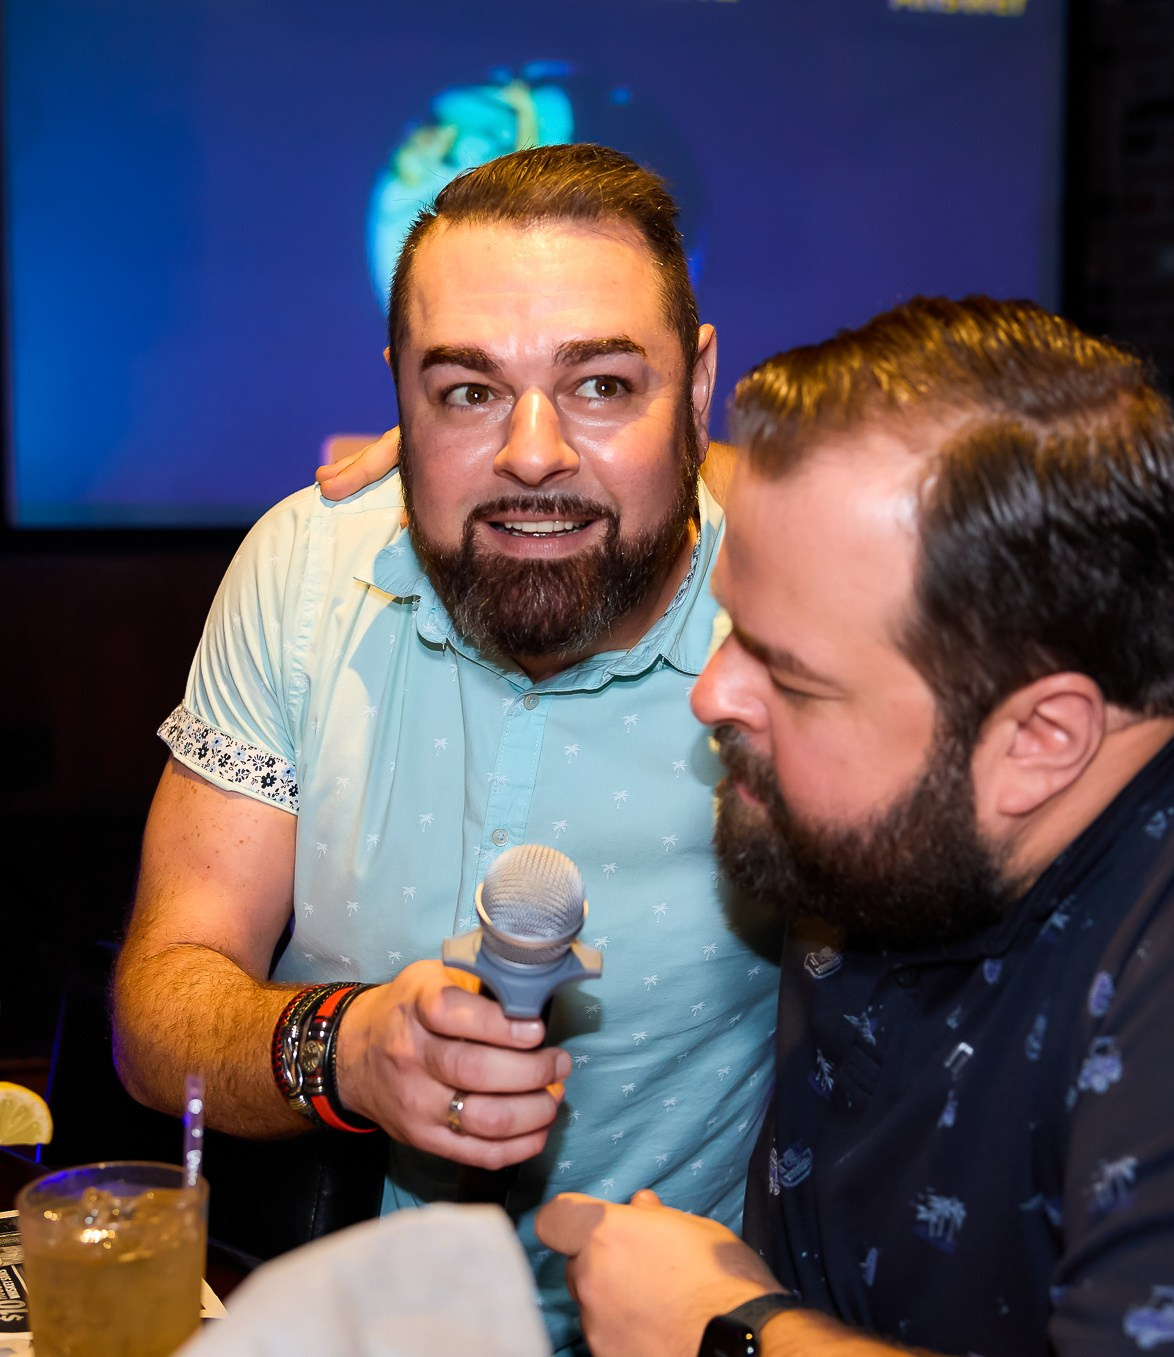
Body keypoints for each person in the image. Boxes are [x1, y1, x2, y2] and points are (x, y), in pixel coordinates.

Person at [534, 295, 1174, 1355]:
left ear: (1040, 738)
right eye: (731, 629)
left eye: (789, 676)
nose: (713, 694)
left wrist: (724, 1331)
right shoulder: (946, 757)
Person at [112, 143, 779, 1352]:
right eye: (468, 391)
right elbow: (159, 1014)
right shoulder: (305, 570)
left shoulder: (794, 625)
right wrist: (347, 1050)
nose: (531, 452)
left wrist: (771, 475)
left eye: (601, 384)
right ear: (400, 398)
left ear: (695, 388)